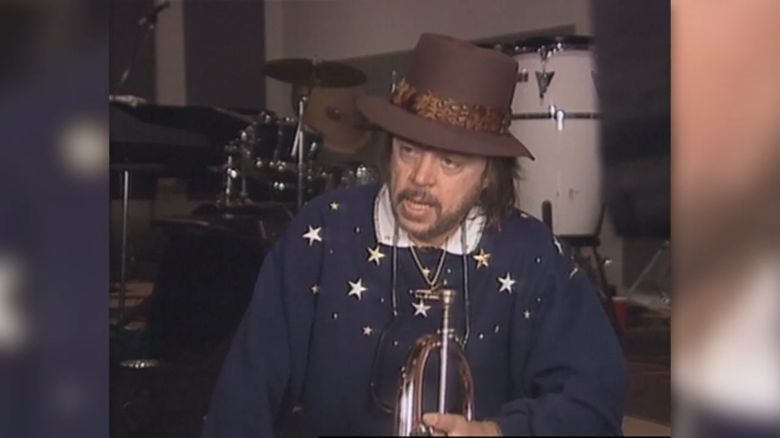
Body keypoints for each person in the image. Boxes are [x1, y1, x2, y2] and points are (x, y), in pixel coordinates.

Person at [202, 33, 626, 437]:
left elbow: (594, 400)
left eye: (450, 161)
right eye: (408, 150)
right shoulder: (324, 232)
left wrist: (497, 431)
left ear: (488, 175)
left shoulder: (531, 255)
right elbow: (245, 393)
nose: (421, 178)